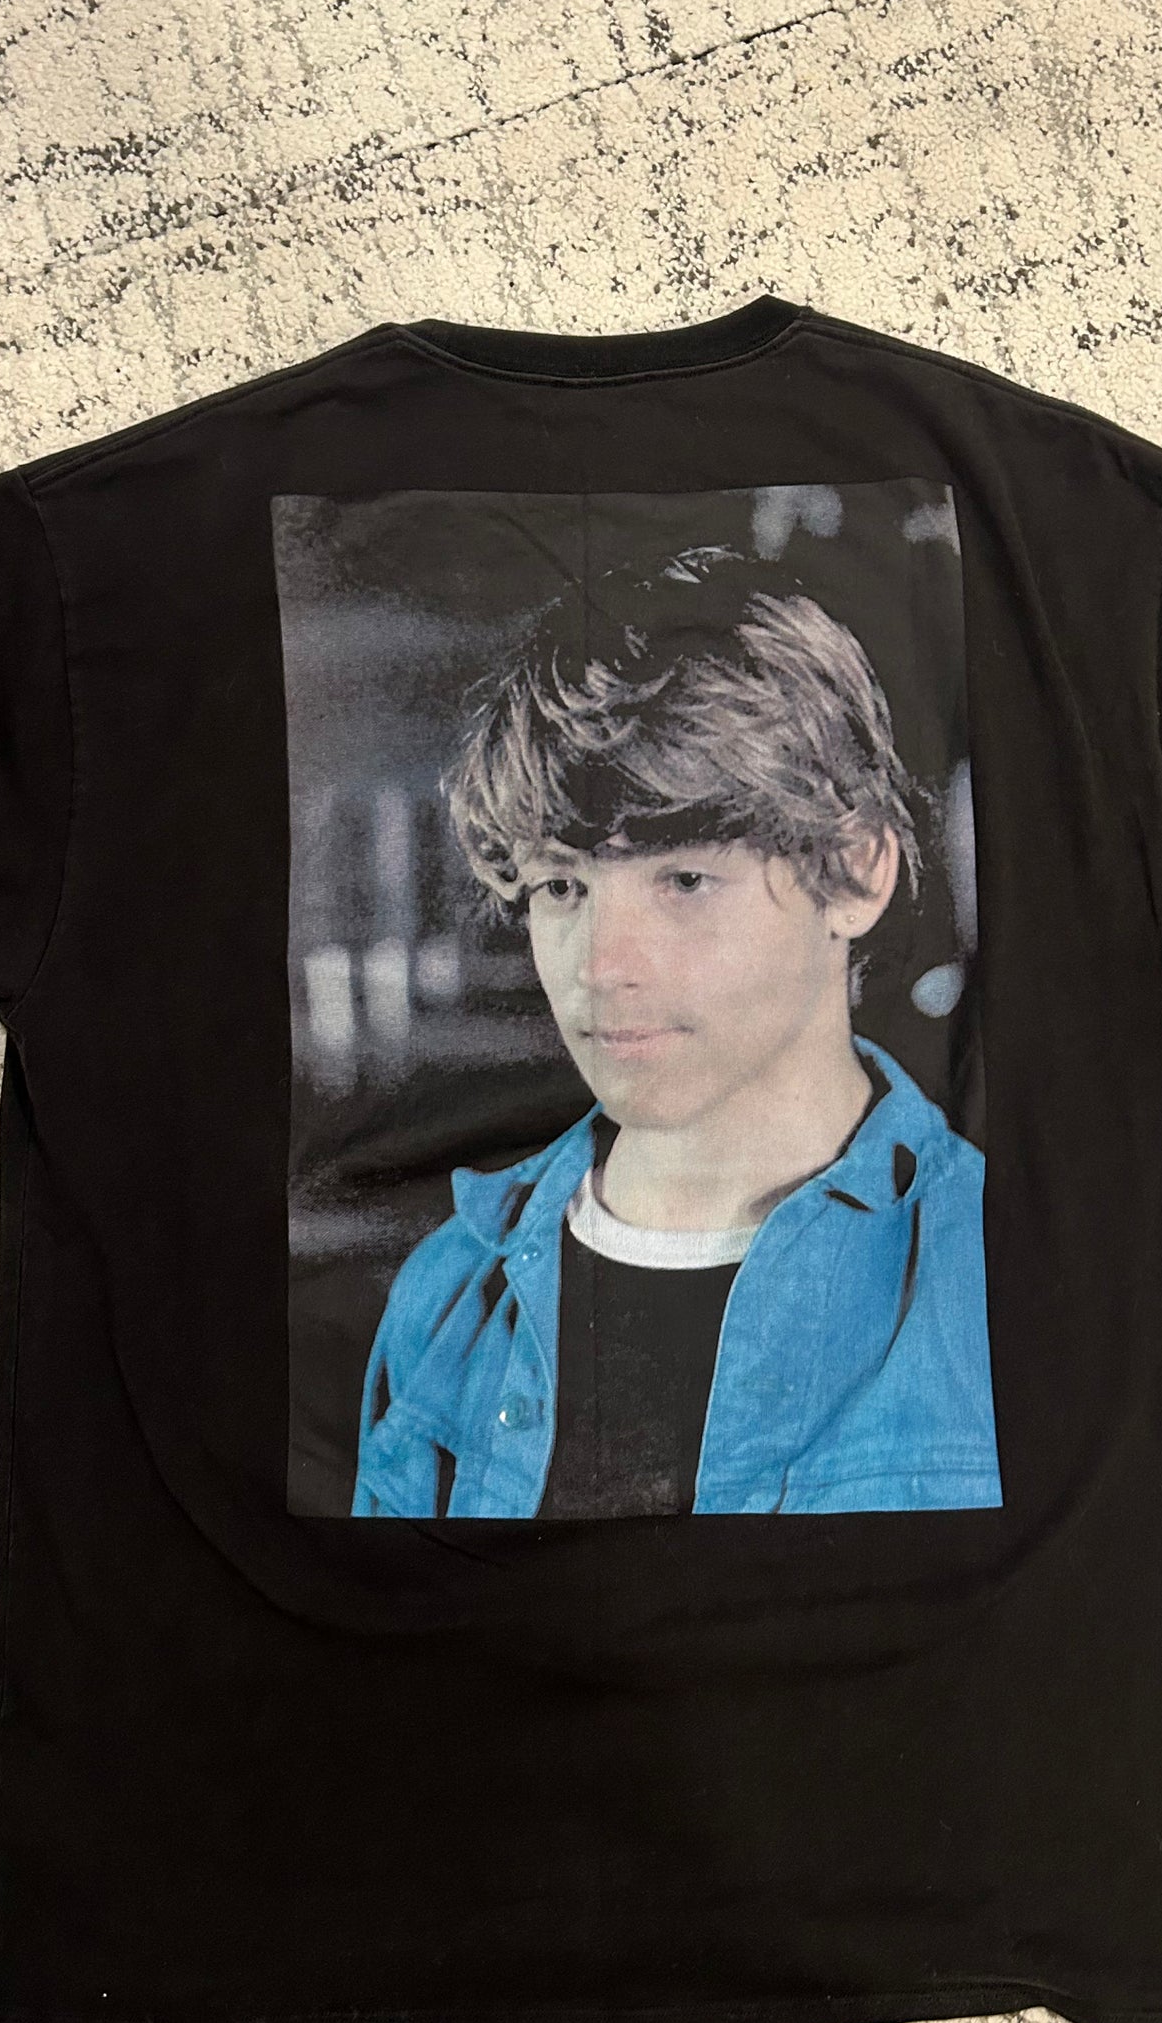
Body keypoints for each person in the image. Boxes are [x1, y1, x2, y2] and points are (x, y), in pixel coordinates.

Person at [350, 558, 1003, 1518]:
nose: (601, 965)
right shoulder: (447, 1295)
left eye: (685, 880)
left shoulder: (1000, 1271)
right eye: (562, 886)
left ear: (856, 873)